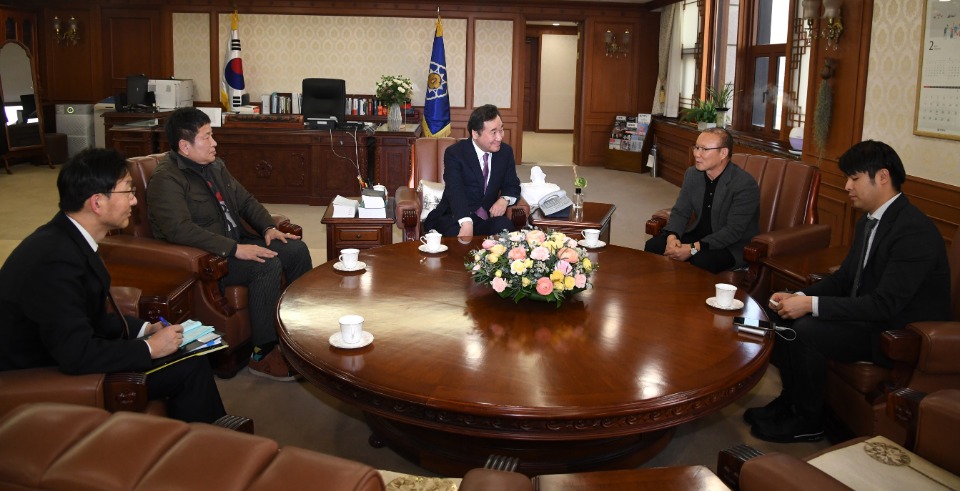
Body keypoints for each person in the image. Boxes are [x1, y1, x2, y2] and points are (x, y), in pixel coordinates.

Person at [0, 148, 227, 423]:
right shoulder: (54, 261)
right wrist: (150, 348)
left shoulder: (68, 238)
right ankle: (210, 451)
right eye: (128, 192)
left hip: (64, 351)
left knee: (189, 354)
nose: (134, 201)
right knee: (188, 367)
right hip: (42, 372)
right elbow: (77, 353)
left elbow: (88, 318)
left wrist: (145, 329)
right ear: (97, 202)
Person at [747, 140, 951, 443]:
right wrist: (799, 297)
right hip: (868, 318)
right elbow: (844, 280)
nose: (846, 186)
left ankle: (808, 420)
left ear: (882, 177)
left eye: (854, 178)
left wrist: (811, 306)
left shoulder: (914, 232)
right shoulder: (869, 221)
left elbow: (884, 305)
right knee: (783, 316)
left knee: (804, 329)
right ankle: (791, 403)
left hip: (894, 333)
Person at [147, 107, 313, 381]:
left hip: (238, 241)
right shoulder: (166, 179)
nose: (215, 143)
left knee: (295, 249)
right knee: (266, 264)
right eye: (207, 137)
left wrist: (268, 228)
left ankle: (299, 333)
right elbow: (179, 230)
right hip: (212, 258)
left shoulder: (215, 166)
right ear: (185, 146)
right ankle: (263, 353)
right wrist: (235, 249)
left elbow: (245, 201)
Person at [644, 127, 760, 273]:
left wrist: (691, 249)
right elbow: (680, 211)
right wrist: (672, 238)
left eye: (704, 149)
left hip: (728, 245)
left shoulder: (744, 184)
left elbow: (733, 232)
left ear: (723, 153)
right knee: (653, 246)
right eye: (696, 147)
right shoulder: (693, 174)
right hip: (696, 236)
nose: (697, 154)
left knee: (699, 259)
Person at [424, 104, 522, 237]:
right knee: (455, 241)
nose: (500, 137)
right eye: (493, 132)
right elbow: (455, 189)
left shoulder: (505, 152)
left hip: (486, 218)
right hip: (455, 216)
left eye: (501, 130)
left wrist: (504, 200)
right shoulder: (455, 153)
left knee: (505, 228)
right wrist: (465, 222)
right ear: (475, 133)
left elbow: (512, 184)